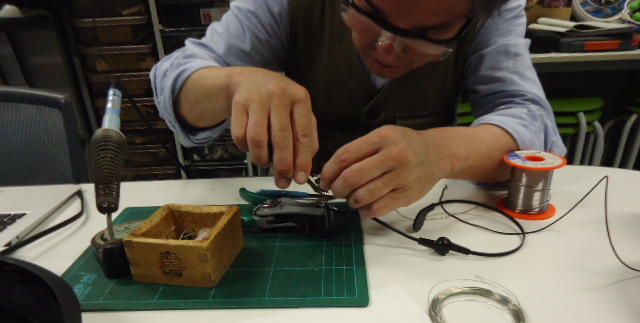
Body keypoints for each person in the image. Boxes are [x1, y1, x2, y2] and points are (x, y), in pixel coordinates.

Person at [151, 0, 564, 218]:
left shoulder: (493, 9)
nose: (388, 49)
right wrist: (234, 82)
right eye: (371, 12)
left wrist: (440, 153)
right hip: (292, 215)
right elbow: (175, 81)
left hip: (413, 227)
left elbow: (532, 125)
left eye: (431, 33)